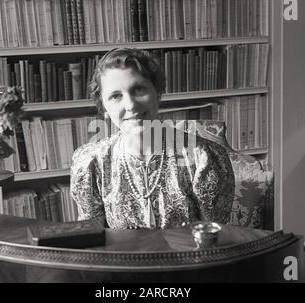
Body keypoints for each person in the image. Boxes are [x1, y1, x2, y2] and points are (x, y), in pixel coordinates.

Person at [70, 48, 235, 229]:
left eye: (138, 89)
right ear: (104, 108)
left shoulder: (204, 158)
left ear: (157, 93)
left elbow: (214, 239)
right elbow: (92, 240)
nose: (131, 105)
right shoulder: (91, 163)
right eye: (116, 96)